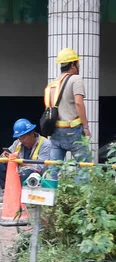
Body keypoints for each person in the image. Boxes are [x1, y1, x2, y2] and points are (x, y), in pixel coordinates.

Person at [46, 48, 92, 179]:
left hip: (56, 130)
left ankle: (50, 194)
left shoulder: (53, 83)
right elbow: (78, 102)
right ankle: (81, 197)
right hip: (73, 130)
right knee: (84, 166)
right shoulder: (76, 79)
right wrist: (86, 127)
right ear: (73, 64)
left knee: (53, 168)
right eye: (77, 63)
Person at [0, 118, 51, 196]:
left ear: (32, 133)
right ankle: (7, 193)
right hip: (19, 171)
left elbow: (40, 167)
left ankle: (18, 194)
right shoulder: (18, 142)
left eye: (23, 138)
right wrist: (5, 157)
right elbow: (9, 152)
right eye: (19, 138)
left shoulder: (45, 143)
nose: (22, 141)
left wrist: (21, 162)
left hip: (34, 174)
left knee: (26, 174)